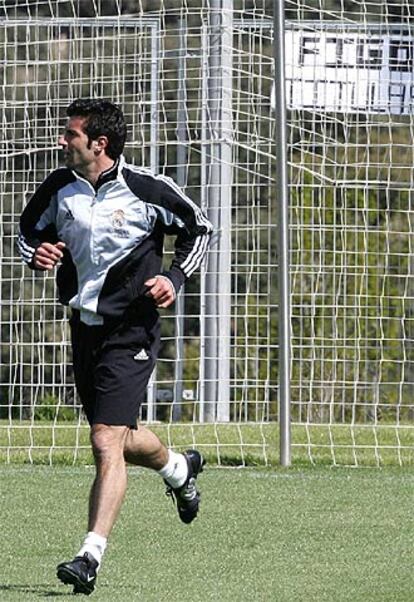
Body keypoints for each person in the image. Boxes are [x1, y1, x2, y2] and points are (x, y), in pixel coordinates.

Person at [17, 98, 213, 596]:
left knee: (104, 440)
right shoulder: (59, 189)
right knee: (120, 436)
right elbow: (26, 232)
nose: (63, 141)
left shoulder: (147, 189)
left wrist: (173, 277)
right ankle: (178, 467)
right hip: (84, 328)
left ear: (98, 144)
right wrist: (37, 252)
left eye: (71, 135)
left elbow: (199, 230)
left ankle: (89, 555)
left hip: (133, 330)